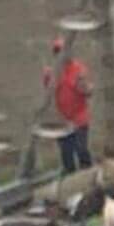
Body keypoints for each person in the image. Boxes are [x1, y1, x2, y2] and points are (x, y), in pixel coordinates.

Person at [42, 37, 93, 172]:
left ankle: (89, 174)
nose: (61, 55)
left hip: (79, 118)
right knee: (67, 157)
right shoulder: (53, 73)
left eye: (63, 51)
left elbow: (88, 90)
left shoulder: (78, 69)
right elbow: (48, 92)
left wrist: (84, 87)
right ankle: (71, 183)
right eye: (57, 52)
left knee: (82, 150)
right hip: (63, 121)